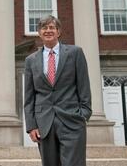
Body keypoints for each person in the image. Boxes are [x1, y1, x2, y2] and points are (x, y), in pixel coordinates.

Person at [24, 15, 92, 166]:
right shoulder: (30, 60)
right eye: (44, 28)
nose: (48, 31)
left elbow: (84, 86)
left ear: (58, 32)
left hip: (72, 120)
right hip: (44, 124)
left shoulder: (75, 53)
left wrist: (83, 114)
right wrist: (31, 126)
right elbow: (29, 96)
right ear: (39, 32)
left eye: (52, 27)